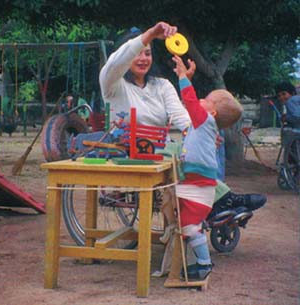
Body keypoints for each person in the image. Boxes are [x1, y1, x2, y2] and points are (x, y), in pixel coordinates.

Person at [99, 21, 266, 226]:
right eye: (138, 53)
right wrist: (150, 34)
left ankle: (216, 200)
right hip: (128, 150)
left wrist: (202, 135)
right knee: (180, 155)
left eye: (148, 53)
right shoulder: (112, 83)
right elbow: (116, 63)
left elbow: (183, 118)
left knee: (207, 141)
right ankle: (223, 200)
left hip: (161, 149)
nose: (143, 58)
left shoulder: (161, 85)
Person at [172, 55, 242, 279]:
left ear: (211, 114)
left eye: (206, 99)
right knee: (186, 224)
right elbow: (188, 105)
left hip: (198, 186)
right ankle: (196, 262)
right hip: (196, 184)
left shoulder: (206, 122)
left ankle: (203, 265)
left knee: (190, 227)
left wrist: (183, 76)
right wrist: (187, 79)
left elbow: (190, 102)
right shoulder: (201, 125)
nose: (200, 99)